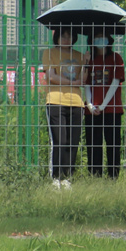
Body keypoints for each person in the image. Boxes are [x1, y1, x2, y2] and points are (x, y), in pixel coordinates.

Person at [42, 27, 86, 190]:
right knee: (59, 140)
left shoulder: (80, 56)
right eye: (63, 35)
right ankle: (56, 177)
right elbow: (51, 77)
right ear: (57, 37)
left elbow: (84, 79)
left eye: (70, 36)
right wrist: (72, 83)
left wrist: (87, 63)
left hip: (76, 102)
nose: (66, 39)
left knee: (73, 141)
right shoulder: (49, 53)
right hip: (55, 100)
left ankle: (67, 177)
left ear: (74, 38)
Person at [83, 28, 125, 179]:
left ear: (109, 40)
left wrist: (102, 105)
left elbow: (115, 84)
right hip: (91, 110)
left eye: (103, 37)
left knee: (113, 144)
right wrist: (90, 105)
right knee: (93, 144)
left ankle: (113, 176)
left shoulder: (116, 58)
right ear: (91, 41)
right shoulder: (89, 60)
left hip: (112, 109)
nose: (101, 40)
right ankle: (95, 176)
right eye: (97, 37)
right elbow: (86, 83)